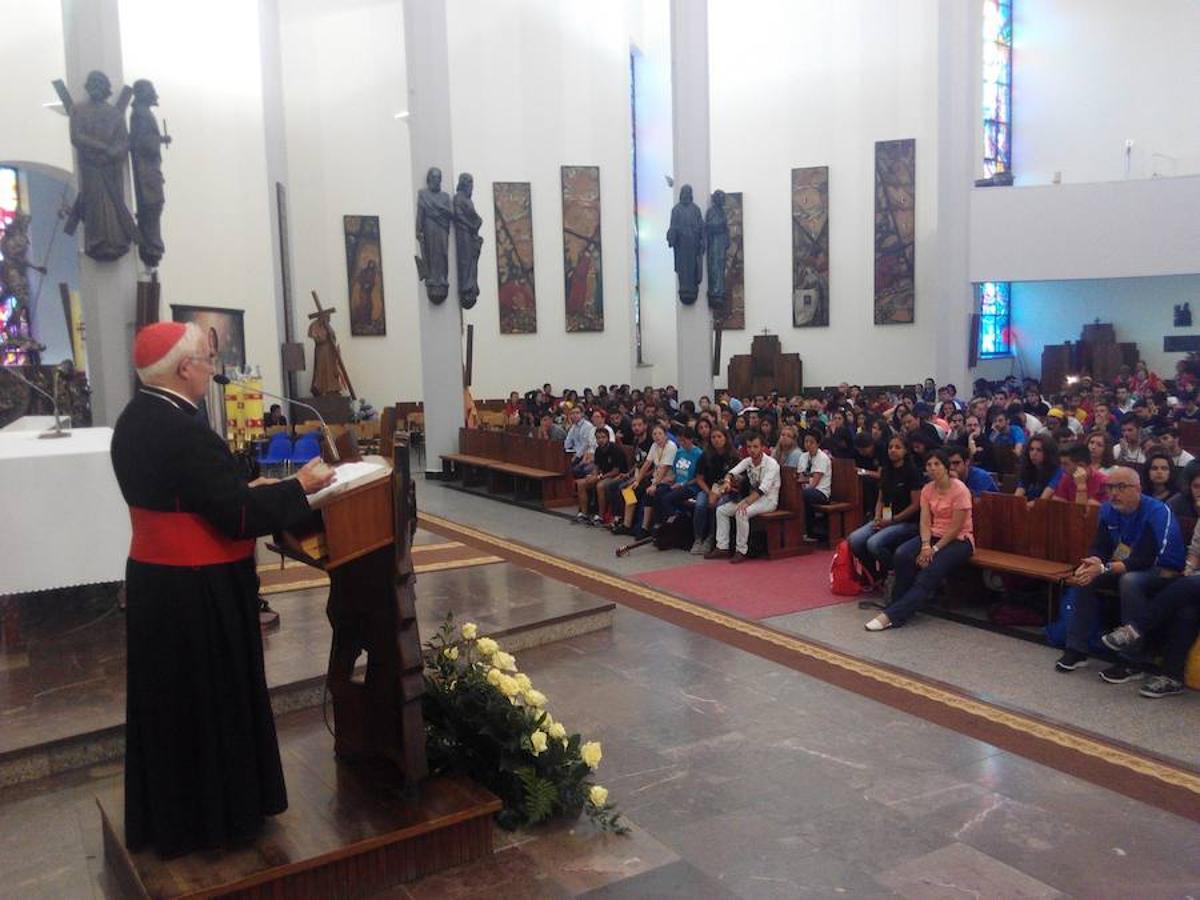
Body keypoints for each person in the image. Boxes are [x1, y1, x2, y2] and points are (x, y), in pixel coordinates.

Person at [111, 322, 336, 857]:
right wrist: (298, 488)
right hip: (197, 592)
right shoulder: (182, 430)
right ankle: (215, 821)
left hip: (157, 584)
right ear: (184, 368)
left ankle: (168, 815)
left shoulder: (135, 418)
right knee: (208, 703)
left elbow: (194, 497)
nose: (213, 371)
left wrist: (249, 489)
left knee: (170, 707)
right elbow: (236, 517)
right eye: (207, 362)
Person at [1054, 467, 1186, 679]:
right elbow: (1101, 545)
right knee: (1086, 577)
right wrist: (1094, 561)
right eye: (1109, 487)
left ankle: (1131, 660)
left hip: (1163, 571)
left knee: (1130, 581)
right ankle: (1077, 649)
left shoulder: (1157, 511)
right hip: (1124, 565)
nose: (1114, 493)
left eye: (1121, 487)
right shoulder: (1108, 510)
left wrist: (1104, 568)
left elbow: (1146, 558)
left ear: (1138, 489)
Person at [865, 449, 974, 631]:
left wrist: (934, 549)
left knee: (929, 570)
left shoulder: (960, 490)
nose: (933, 469)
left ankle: (893, 616)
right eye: (929, 465)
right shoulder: (928, 489)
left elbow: (956, 528)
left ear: (946, 467)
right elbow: (925, 520)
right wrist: (925, 544)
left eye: (937, 464)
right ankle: (898, 605)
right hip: (933, 536)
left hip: (959, 540)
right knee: (902, 554)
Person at [848, 435, 922, 586]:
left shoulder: (913, 472)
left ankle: (893, 572)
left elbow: (915, 505)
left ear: (906, 451)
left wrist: (892, 521)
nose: (893, 450)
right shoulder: (887, 471)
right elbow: (881, 499)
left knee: (874, 543)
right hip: (885, 518)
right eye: (890, 447)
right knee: (854, 539)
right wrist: (876, 518)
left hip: (906, 521)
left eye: (897, 447)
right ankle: (875, 575)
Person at [707, 433, 781, 563]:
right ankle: (722, 547)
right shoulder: (747, 461)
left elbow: (762, 490)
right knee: (722, 510)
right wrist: (727, 481)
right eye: (749, 447)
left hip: (768, 500)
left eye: (755, 447)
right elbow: (731, 472)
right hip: (753, 498)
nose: (752, 450)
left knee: (741, 512)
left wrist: (746, 502)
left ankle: (741, 550)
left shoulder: (772, 464)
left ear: (762, 447)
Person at [690, 427, 738, 554]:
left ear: (725, 438)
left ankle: (711, 539)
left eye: (719, 437)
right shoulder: (705, 455)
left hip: (726, 490)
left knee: (718, 506)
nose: (716, 440)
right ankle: (698, 538)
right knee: (700, 505)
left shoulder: (733, 456)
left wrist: (718, 493)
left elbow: (735, 479)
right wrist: (710, 492)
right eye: (713, 437)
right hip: (707, 489)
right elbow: (699, 478)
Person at [575, 424, 624, 524]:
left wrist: (598, 477)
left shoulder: (615, 449)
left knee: (600, 486)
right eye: (598, 438)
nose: (600, 440)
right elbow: (596, 467)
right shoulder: (598, 450)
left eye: (603, 437)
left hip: (617, 476)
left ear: (608, 438)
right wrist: (593, 476)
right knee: (581, 483)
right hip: (603, 475)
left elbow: (616, 471)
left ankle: (600, 516)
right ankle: (584, 514)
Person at [655, 426, 704, 527]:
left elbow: (699, 478)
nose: (682, 444)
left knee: (667, 498)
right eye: (680, 441)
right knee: (658, 491)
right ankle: (659, 525)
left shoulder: (699, 454)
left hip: (690, 486)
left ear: (691, 439)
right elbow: (675, 471)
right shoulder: (679, 452)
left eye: (684, 441)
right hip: (676, 484)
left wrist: (683, 484)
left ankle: (675, 521)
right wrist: (668, 480)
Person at [795, 429, 833, 540]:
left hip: (821, 492)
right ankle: (803, 531)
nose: (808, 444)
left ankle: (807, 531)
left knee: (803, 495)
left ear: (818, 443)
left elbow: (815, 482)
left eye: (811, 442)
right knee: (800, 495)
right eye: (806, 441)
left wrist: (800, 491)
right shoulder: (803, 456)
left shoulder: (822, 458)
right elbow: (801, 476)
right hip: (806, 490)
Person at [1014, 434, 1063, 507]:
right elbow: (1018, 496)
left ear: (1048, 453)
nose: (1034, 453)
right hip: (1027, 508)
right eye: (1031, 449)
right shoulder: (1026, 468)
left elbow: (1042, 501)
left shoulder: (1058, 471)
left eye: (1039, 450)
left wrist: (1022, 506)